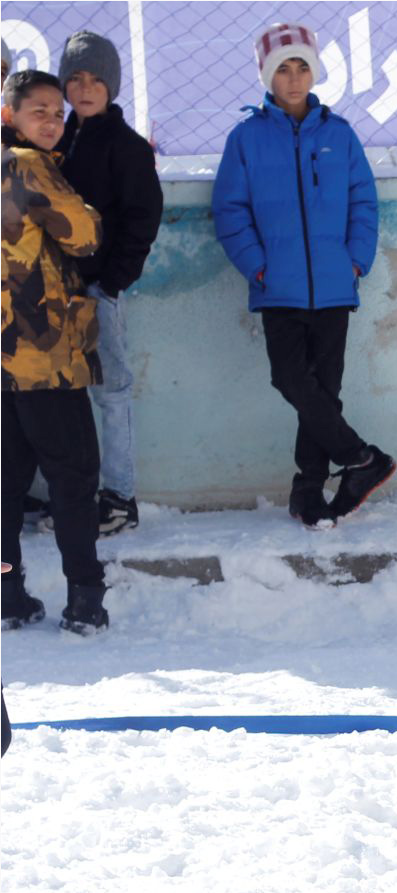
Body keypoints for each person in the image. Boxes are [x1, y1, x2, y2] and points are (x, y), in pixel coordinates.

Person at [212, 22, 394, 529]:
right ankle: (361, 458)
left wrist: (355, 260)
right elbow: (229, 209)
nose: (293, 79)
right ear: (267, 77)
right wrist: (257, 265)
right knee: (291, 379)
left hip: (334, 285)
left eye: (302, 68)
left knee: (324, 391)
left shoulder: (339, 135)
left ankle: (309, 489)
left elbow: (363, 201)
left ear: (314, 73)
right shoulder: (246, 138)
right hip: (278, 288)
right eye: (283, 70)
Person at [2, 69, 109, 634]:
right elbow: (84, 234)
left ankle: (7, 596)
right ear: (9, 115)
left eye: (57, 113)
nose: (51, 121)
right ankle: (85, 601)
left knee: (6, 484)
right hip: (43, 356)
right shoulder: (27, 164)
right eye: (38, 111)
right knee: (73, 478)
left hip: (3, 361)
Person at [56, 31, 163, 538]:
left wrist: (112, 283)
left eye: (96, 79)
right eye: (76, 78)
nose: (85, 88)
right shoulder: (54, 141)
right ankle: (67, 495)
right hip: (50, 294)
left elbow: (143, 220)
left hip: (98, 292)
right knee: (56, 396)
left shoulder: (128, 147)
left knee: (112, 393)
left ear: (112, 86)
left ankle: (119, 498)